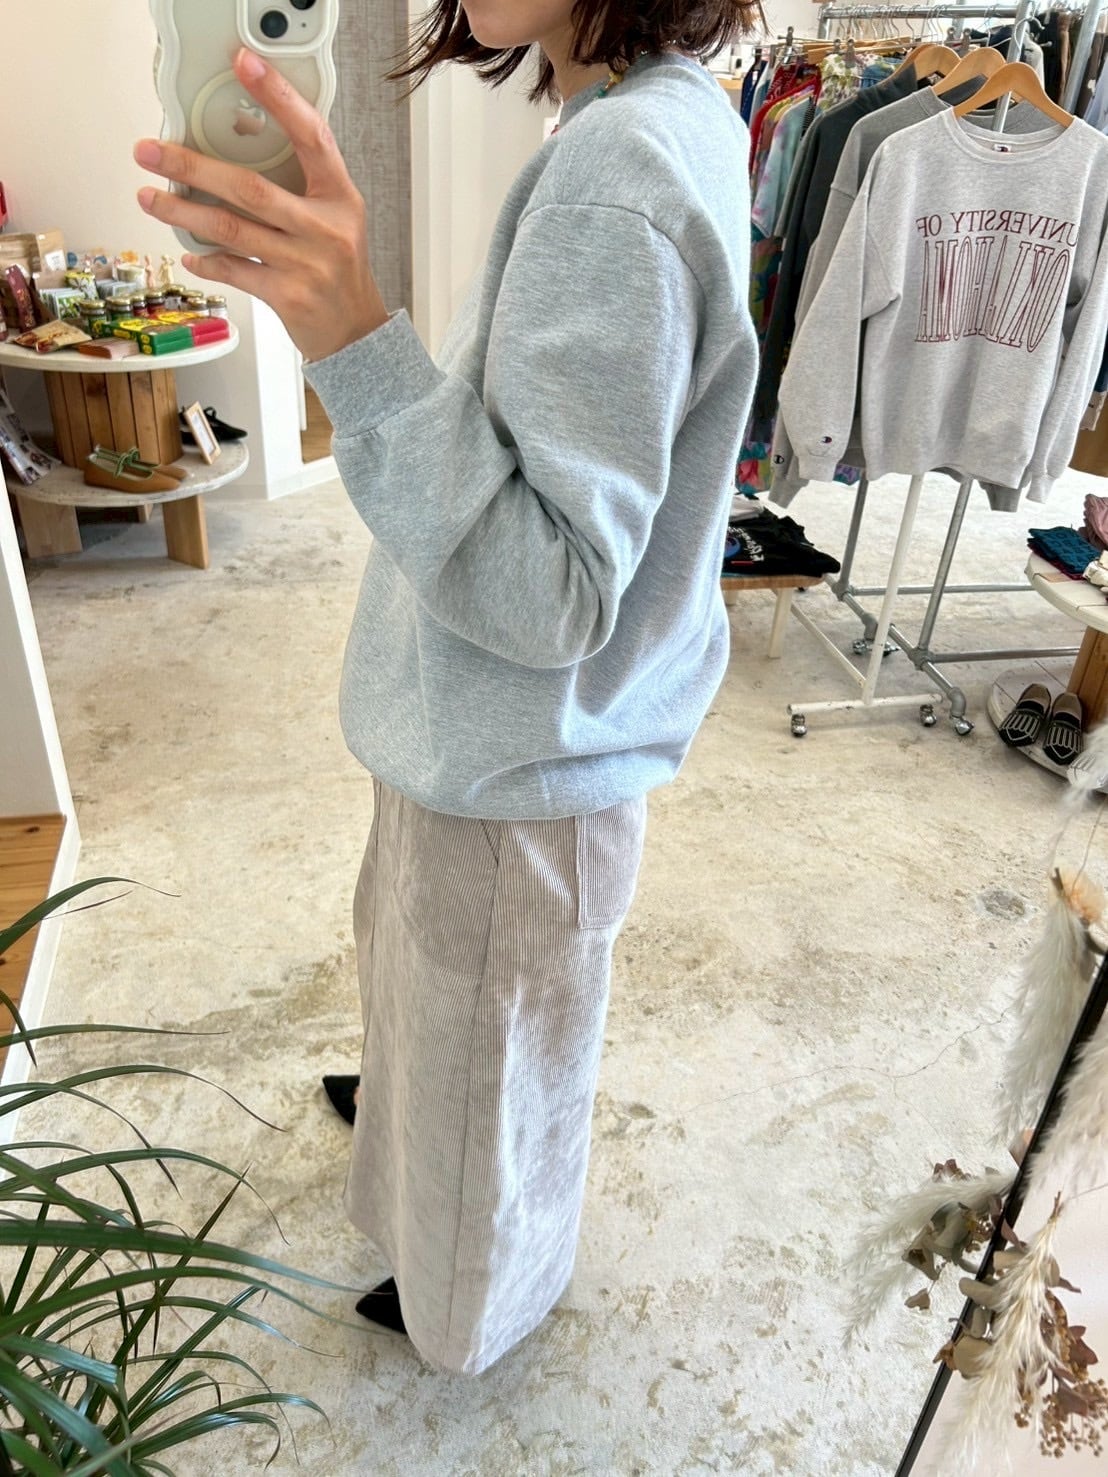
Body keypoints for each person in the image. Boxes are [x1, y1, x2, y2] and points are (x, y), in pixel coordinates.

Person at [135, 0, 759, 1376]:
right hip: (491, 733)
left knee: (492, 1095)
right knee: (431, 998)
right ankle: (412, 1112)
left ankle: (473, 1311)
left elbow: (553, 591)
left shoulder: (620, 173)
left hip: (518, 771)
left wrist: (357, 337)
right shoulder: (651, 116)